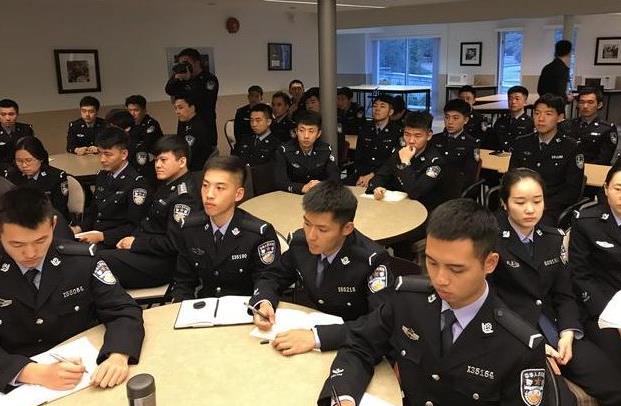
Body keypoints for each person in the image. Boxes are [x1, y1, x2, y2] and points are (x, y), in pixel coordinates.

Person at [318, 199, 546, 406]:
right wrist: (344, 398)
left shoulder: (517, 346)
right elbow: (360, 343)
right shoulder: (408, 299)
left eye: (456, 269)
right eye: (432, 263)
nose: (440, 279)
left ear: (490, 263)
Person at [491, 168, 621, 405]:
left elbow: (564, 294)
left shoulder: (551, 237)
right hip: (517, 335)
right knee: (558, 399)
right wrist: (530, 340)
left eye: (537, 201)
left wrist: (568, 332)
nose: (530, 209)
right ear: (504, 203)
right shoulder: (491, 241)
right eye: (520, 202)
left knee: (613, 384)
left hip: (558, 330)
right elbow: (490, 301)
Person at [0, 187, 144, 393]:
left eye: (41, 240)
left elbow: (123, 309)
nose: (30, 253)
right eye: (17, 244)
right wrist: (29, 372)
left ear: (53, 225)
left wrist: (118, 355)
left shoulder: (80, 261)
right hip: (16, 384)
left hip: (84, 374)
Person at [250, 180, 393, 355]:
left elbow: (380, 322)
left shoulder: (371, 260)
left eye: (322, 230)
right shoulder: (300, 243)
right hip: (308, 335)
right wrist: (264, 301)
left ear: (347, 228)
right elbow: (273, 276)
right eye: (307, 223)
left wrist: (317, 337)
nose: (311, 236)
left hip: (354, 346)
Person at [169, 156, 281, 301]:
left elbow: (267, 279)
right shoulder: (190, 228)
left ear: (238, 194)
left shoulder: (258, 233)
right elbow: (183, 281)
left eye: (219, 188)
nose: (209, 195)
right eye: (205, 186)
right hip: (204, 308)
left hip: (244, 307)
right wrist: (181, 306)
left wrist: (263, 302)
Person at [97, 136, 199, 289]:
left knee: (96, 262)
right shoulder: (167, 184)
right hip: (147, 250)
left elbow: (174, 244)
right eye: (156, 160)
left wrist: (135, 243)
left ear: (182, 162)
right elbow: (148, 223)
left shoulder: (184, 196)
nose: (157, 165)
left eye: (163, 160)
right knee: (91, 256)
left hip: (163, 263)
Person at [569, 163, 621, 372]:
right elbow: (580, 276)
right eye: (618, 189)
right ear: (606, 188)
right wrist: (614, 317)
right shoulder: (587, 223)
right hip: (601, 305)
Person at [509, 94, 584, 225]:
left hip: (550, 208)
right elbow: (511, 177)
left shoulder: (571, 147)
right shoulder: (522, 142)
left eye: (548, 114)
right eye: (537, 113)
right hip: (520, 202)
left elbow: (572, 190)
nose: (541, 119)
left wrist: (539, 204)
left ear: (560, 117)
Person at [71, 127, 151, 248]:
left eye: (108, 154)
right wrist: (79, 228)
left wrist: (102, 236)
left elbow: (136, 226)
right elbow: (94, 211)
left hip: (115, 243)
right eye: (100, 153)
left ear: (124, 154)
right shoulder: (102, 176)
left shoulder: (137, 184)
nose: (102, 159)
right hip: (93, 236)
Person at [367, 111, 445, 211]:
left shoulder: (435, 161)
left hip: (422, 209)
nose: (411, 140)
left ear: (429, 135)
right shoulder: (400, 151)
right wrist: (377, 188)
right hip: (395, 206)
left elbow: (415, 192)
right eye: (407, 134)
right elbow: (380, 176)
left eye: (417, 136)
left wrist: (405, 163)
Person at [3, 136, 70, 221]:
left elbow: (59, 210)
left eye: (28, 160)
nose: (24, 165)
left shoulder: (56, 177)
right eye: (19, 161)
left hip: (49, 221)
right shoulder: (11, 176)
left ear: (40, 158)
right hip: (18, 222)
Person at [273, 111, 339, 194]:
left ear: (318, 134)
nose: (306, 136)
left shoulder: (325, 150)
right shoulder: (284, 151)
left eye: (311, 131)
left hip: (319, 194)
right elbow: (280, 182)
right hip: (292, 195)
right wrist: (302, 188)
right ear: (296, 131)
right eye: (301, 130)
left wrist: (322, 185)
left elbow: (335, 177)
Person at [165, 47, 219, 140]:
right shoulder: (182, 79)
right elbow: (169, 90)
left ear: (197, 62)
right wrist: (175, 77)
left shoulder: (209, 79)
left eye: (186, 63)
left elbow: (202, 99)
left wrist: (189, 80)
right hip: (184, 125)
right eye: (181, 64)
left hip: (204, 125)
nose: (184, 66)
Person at [351, 94, 402, 188]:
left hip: (385, 177)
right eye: (375, 106)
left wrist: (372, 175)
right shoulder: (365, 129)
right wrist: (363, 175)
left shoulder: (397, 132)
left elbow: (393, 162)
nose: (377, 109)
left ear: (391, 112)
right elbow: (358, 157)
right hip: (363, 174)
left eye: (382, 106)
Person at [560, 87, 618, 164]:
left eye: (590, 102)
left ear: (599, 105)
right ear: (577, 104)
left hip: (593, 168)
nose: (585, 106)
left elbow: (604, 159)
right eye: (581, 102)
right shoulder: (566, 125)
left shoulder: (607, 129)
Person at [431, 98, 479, 186]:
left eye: (455, 118)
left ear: (465, 120)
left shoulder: (471, 143)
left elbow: (469, 176)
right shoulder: (434, 139)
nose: (450, 122)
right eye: (447, 117)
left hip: (455, 187)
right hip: (431, 184)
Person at [125, 95, 164, 186]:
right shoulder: (127, 124)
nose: (132, 113)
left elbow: (145, 144)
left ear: (144, 110)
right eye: (130, 110)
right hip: (132, 166)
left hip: (149, 165)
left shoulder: (151, 124)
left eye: (136, 110)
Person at [485, 86, 534, 151]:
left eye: (517, 99)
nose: (513, 102)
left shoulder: (530, 123)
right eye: (510, 98)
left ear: (525, 102)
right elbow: (492, 143)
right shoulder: (500, 121)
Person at [174, 95, 214, 171]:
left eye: (180, 108)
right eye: (175, 108)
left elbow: (191, 154)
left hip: (196, 170)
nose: (177, 112)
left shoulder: (199, 126)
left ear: (192, 108)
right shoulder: (183, 123)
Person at [0, 99, 34, 168]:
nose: (7, 118)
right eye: (3, 114)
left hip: (24, 167)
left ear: (17, 114)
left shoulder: (26, 129)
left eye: (11, 114)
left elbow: (33, 150)